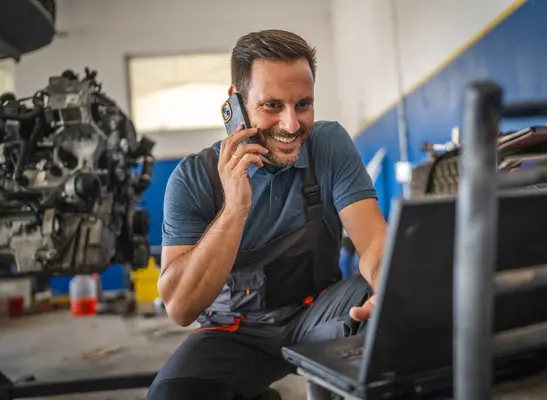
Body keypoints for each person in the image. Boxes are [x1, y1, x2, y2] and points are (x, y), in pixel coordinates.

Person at [147, 29, 387, 400]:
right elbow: (180, 308)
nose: (291, 125)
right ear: (236, 105)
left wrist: (387, 288)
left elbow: (374, 242)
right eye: (272, 106)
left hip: (319, 316)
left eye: (303, 105)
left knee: (385, 318)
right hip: (234, 332)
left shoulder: (329, 145)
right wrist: (235, 207)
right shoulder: (193, 178)